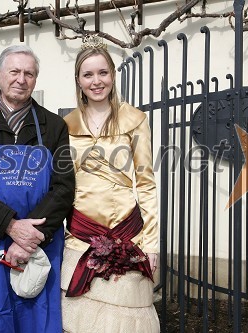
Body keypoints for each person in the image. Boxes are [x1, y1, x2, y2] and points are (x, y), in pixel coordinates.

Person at [0, 45, 75, 333]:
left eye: (29, 73)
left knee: (37, 319)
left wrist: (28, 239)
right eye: (14, 71)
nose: (21, 79)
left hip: (38, 242)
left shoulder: (54, 126)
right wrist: (9, 225)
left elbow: (63, 187)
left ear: (36, 79)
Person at [60, 35, 160, 333]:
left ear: (113, 76)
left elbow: (146, 183)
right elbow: (64, 184)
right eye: (88, 74)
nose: (96, 81)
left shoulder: (134, 120)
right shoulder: (65, 126)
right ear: (78, 80)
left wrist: (152, 244)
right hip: (80, 236)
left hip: (127, 232)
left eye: (102, 72)